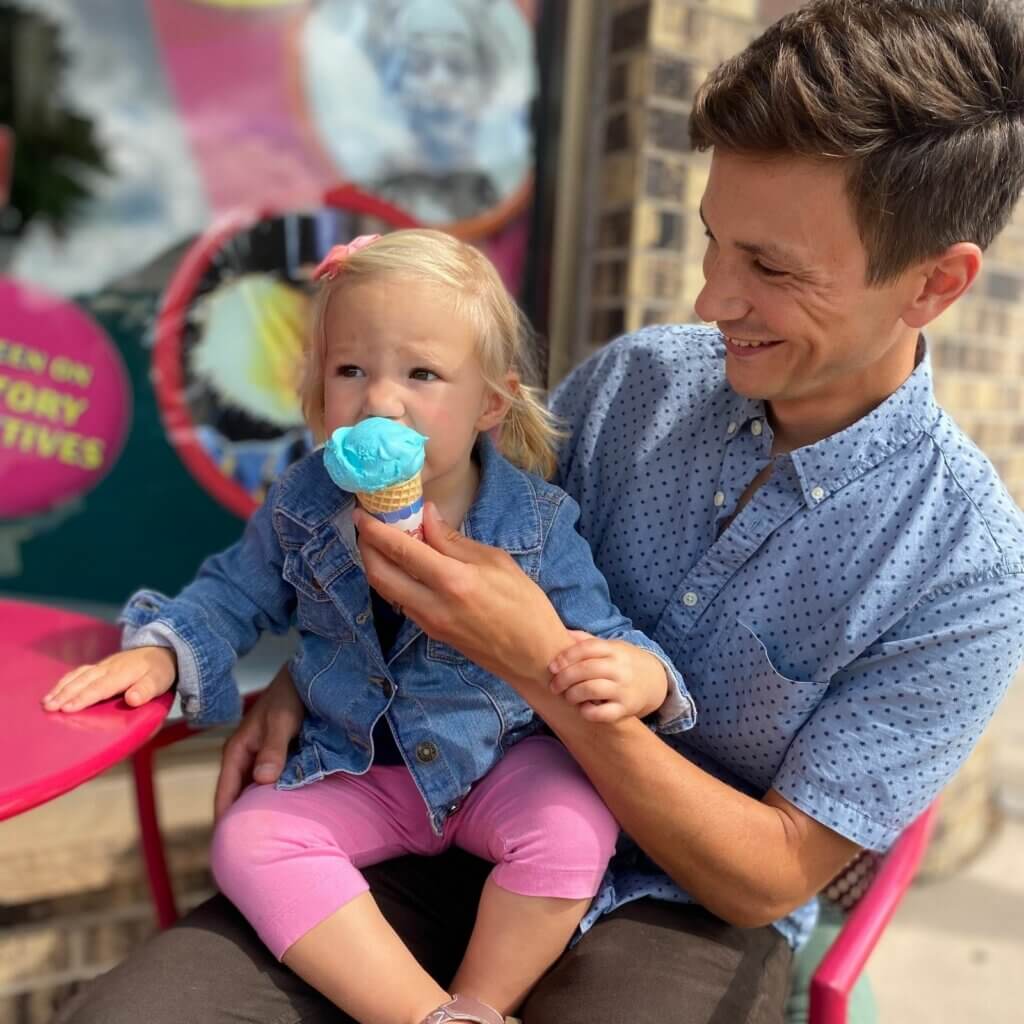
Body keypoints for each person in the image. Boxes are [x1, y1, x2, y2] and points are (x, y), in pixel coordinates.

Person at [55, 1, 1024, 1022]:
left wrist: (540, 663)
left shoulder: (965, 565)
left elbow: (768, 874)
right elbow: (456, 532)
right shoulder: (630, 386)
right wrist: (325, 656)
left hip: (686, 900)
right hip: (435, 786)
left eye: (770, 269)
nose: (709, 299)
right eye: (712, 243)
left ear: (934, 285)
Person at [44, 230, 691, 1024]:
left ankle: (483, 1002)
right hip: (360, 769)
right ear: (316, 395)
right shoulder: (305, 504)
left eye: (422, 374)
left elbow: (601, 626)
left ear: (490, 402)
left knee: (576, 824)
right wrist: (165, 654)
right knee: (248, 842)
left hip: (498, 767)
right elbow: (231, 596)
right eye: (351, 370)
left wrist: (643, 674)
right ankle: (428, 1017)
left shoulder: (538, 523)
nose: (381, 400)